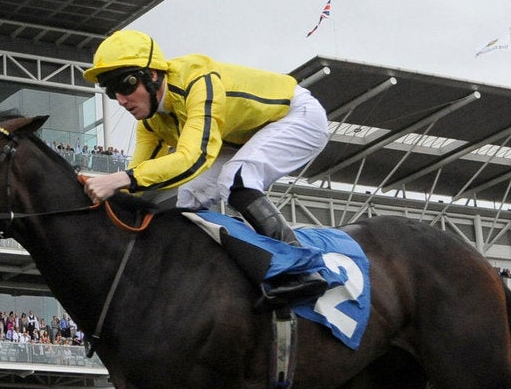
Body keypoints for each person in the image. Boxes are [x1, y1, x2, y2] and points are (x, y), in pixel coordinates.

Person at [79, 29, 330, 303]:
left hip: (297, 115)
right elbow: (136, 188)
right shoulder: (151, 122)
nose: (121, 99)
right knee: (188, 197)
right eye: (110, 90)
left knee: (236, 179)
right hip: (239, 137)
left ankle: (303, 270)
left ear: (152, 75)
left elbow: (194, 158)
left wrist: (118, 180)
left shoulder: (198, 80)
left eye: (125, 85)